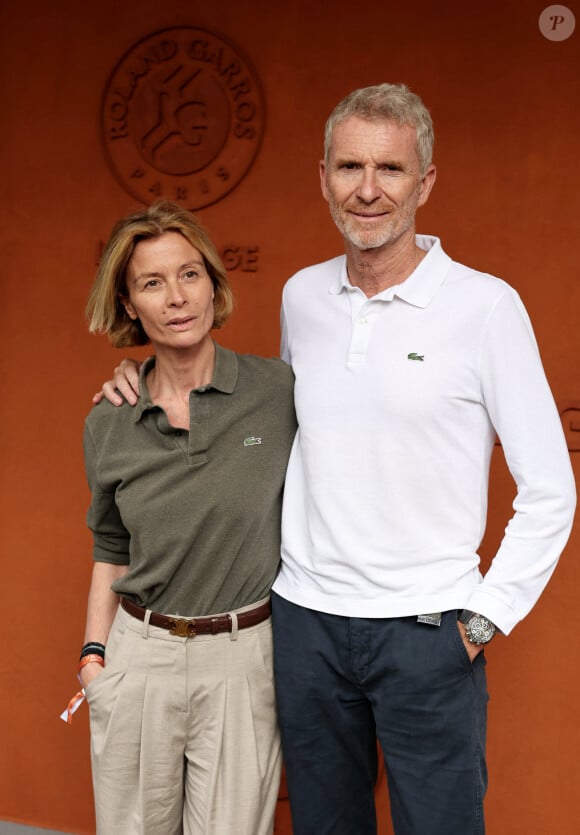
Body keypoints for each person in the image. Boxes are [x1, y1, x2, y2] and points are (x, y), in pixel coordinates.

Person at [98, 84, 576, 835]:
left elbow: (551, 488)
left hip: (427, 627)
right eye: (349, 166)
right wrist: (142, 375)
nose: (367, 188)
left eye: (390, 168)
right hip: (305, 625)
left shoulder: (486, 308)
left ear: (425, 182)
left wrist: (482, 621)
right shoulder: (303, 296)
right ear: (322, 177)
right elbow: (267, 420)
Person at [75, 201, 296, 835]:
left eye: (190, 274)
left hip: (243, 657)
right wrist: (94, 659)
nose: (177, 297)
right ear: (128, 305)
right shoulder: (108, 421)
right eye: (152, 282)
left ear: (213, 284)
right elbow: (110, 548)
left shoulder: (276, 393)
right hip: (138, 656)